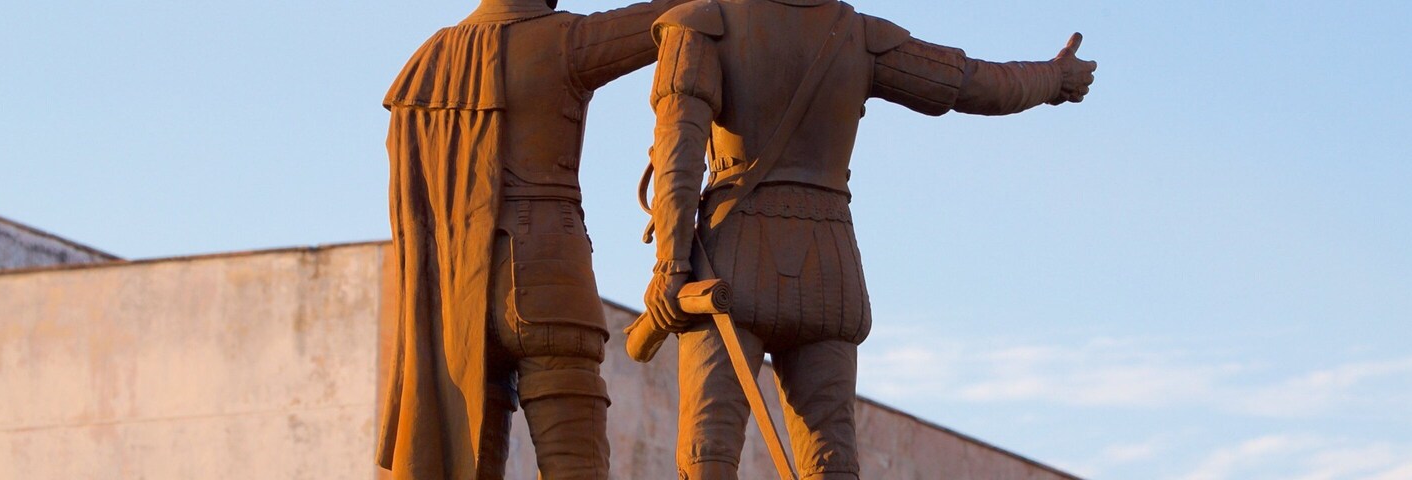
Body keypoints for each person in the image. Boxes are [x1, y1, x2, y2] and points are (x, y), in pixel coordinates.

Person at [638, 1, 1098, 478]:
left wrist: (670, 265)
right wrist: (1054, 77)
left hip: (731, 256)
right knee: (831, 457)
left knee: (708, 450)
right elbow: (971, 82)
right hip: (829, 266)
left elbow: (679, 151)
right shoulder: (859, 33)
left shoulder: (700, 25)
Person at [376, 0, 696, 478]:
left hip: (454, 305)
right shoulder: (563, 38)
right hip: (550, 283)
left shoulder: (424, 65)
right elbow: (675, 16)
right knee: (575, 467)